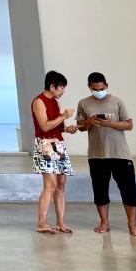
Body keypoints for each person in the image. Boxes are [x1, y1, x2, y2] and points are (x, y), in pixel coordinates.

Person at [76, 72, 136, 236]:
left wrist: (111, 123)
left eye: (101, 88)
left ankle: (132, 225)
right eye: (95, 89)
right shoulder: (83, 103)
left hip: (120, 154)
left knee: (128, 190)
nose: (99, 91)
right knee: (100, 190)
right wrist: (89, 121)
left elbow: (129, 125)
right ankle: (104, 223)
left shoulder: (117, 101)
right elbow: (81, 127)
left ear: (106, 85)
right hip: (96, 155)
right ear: (89, 87)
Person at [31, 70, 79, 234]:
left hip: (58, 144)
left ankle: (60, 222)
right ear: (52, 86)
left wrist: (66, 128)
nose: (63, 91)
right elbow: (44, 127)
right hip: (45, 144)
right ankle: (42, 222)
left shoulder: (55, 103)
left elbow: (56, 126)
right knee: (50, 185)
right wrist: (64, 116)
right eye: (61, 88)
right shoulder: (39, 101)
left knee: (60, 184)